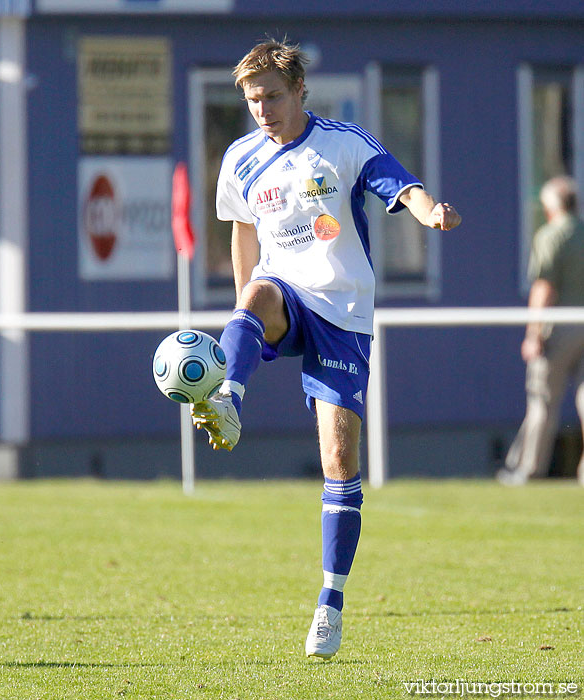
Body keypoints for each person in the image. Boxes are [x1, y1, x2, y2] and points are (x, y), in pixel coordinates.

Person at [191, 38, 461, 659]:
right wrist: (243, 316)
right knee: (255, 296)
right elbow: (242, 235)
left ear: (299, 92)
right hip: (284, 293)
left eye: (273, 97)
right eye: (253, 100)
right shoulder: (240, 159)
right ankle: (228, 399)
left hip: (341, 311)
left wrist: (428, 213)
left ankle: (329, 605)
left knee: (339, 461)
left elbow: (401, 183)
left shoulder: (341, 142)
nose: (262, 109)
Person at [498, 176, 584, 487]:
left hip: (559, 327)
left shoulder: (551, 236)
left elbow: (544, 286)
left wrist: (533, 333)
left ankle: (529, 468)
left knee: (542, 401)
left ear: (551, 207)